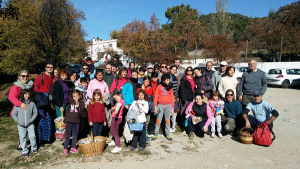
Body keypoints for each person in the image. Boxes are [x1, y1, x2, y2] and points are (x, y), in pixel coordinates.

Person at [8, 70, 39, 151]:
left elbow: (37, 92)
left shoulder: (32, 85)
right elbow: (11, 97)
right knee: (22, 131)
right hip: (20, 112)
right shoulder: (16, 87)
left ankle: (33, 143)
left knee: (31, 129)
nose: (25, 78)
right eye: (23, 76)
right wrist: (20, 104)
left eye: (27, 76)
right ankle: (21, 144)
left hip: (30, 110)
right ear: (19, 77)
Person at [34, 62, 56, 148]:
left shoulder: (54, 78)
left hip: (50, 102)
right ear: (45, 68)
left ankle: (48, 137)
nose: (50, 68)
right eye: (48, 67)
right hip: (41, 102)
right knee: (41, 121)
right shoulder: (40, 77)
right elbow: (35, 89)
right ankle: (40, 140)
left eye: (52, 67)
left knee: (49, 120)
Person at [12, 89, 38, 157]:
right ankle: (25, 150)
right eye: (25, 94)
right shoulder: (18, 105)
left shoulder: (32, 103)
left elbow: (35, 112)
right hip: (21, 125)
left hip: (30, 124)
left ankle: (34, 147)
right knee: (22, 137)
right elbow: (13, 114)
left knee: (32, 136)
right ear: (22, 95)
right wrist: (18, 121)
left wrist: (31, 119)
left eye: (28, 94)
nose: (27, 96)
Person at [152, 73, 174, 141]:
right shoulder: (159, 87)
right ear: (163, 80)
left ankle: (167, 133)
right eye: (167, 80)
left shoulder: (170, 87)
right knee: (158, 119)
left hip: (168, 105)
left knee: (167, 120)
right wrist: (155, 106)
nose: (168, 81)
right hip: (160, 105)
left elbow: (172, 97)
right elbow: (155, 97)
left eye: (169, 80)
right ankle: (156, 133)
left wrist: (172, 108)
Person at [63, 90, 85, 156]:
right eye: (74, 96)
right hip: (69, 121)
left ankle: (73, 147)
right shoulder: (70, 102)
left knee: (75, 135)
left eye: (77, 96)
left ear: (79, 96)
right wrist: (65, 120)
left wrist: (78, 107)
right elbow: (67, 112)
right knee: (67, 135)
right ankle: (65, 148)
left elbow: (81, 112)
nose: (75, 97)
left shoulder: (81, 103)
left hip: (76, 122)